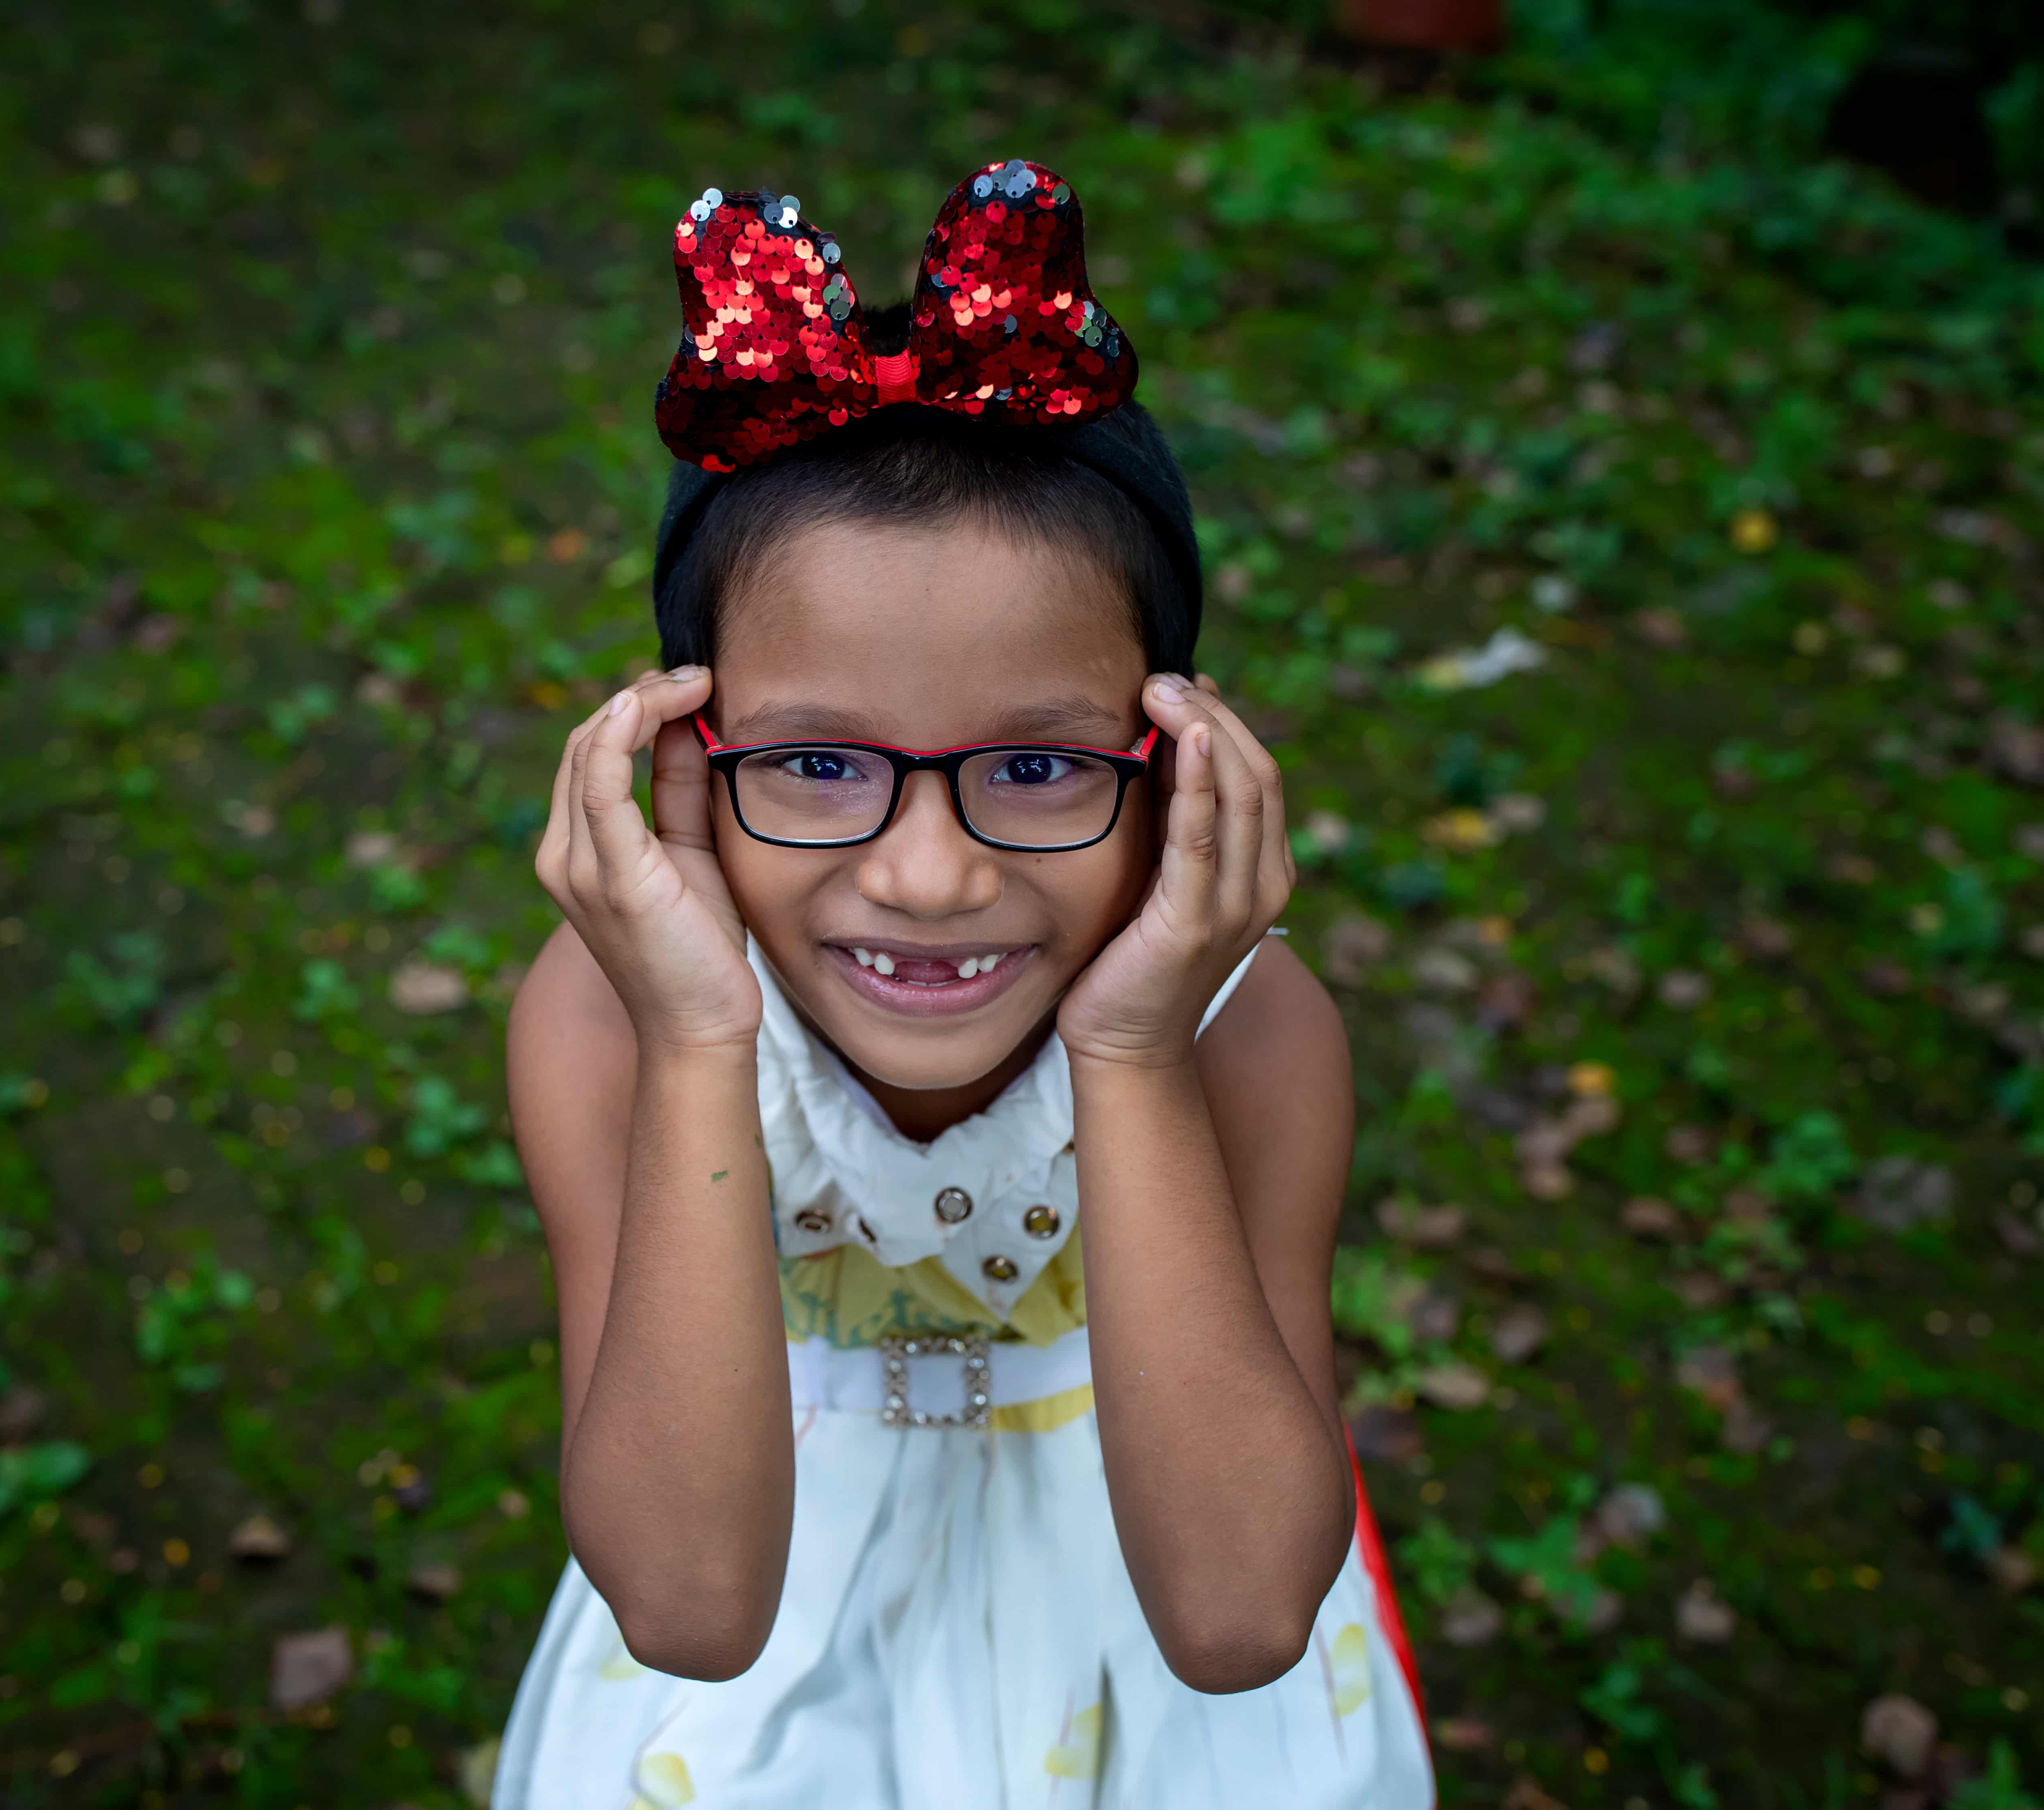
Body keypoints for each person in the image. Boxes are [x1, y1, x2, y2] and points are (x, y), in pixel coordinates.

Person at [492, 160, 1433, 1809]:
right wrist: (704, 1040)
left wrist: (1133, 1051)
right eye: (818, 761)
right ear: (679, 758)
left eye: (1041, 766)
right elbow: (694, 1611)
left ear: (1185, 754)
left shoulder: (1247, 1033)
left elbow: (1234, 1614)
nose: (928, 874)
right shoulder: (611, 1022)